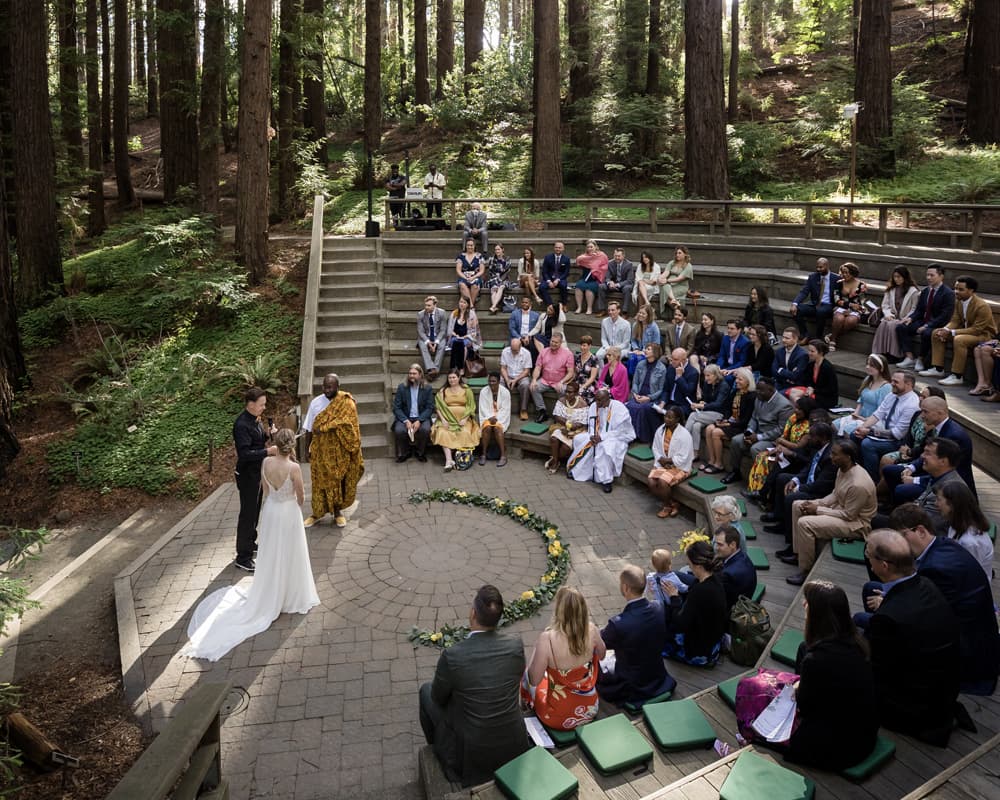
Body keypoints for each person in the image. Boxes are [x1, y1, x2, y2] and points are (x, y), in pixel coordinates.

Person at [184, 429, 320, 661]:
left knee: (272, 552)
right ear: (291, 447)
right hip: (288, 514)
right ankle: (291, 594)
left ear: (276, 444)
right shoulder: (295, 468)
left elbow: (266, 491)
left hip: (271, 510)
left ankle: (271, 591)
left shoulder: (266, 462)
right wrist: (295, 505)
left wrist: (275, 502)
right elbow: (301, 496)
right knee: (291, 554)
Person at [732, 581, 877, 771]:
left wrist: (798, 691)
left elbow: (806, 708)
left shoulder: (817, 660)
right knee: (780, 674)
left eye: (807, 605)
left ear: (818, 616)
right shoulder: (858, 641)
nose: (804, 606)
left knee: (755, 698)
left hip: (840, 747)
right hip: (864, 731)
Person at [881, 505, 1000, 695]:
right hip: (973, 632)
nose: (898, 544)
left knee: (872, 621)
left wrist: (887, 604)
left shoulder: (936, 569)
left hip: (966, 651)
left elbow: (929, 619)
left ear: (920, 531)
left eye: (901, 536)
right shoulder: (944, 545)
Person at [418, 585, 529, 786]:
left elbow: (438, 698)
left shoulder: (453, 656)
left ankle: (441, 750)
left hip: (473, 751)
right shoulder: (515, 645)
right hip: (514, 742)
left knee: (426, 691)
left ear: (472, 613)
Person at [862, 529, 960, 746]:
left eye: (869, 556)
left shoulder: (888, 618)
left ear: (884, 566)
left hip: (913, 706)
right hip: (941, 689)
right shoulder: (927, 584)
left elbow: (876, 670)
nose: (867, 561)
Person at [783, 438, 877, 585]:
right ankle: (799, 554)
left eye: (834, 454)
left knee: (805, 523)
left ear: (848, 457)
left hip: (857, 525)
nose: (830, 457)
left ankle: (805, 570)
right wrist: (815, 503)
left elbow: (849, 515)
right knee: (797, 505)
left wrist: (818, 509)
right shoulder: (842, 469)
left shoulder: (859, 484)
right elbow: (835, 495)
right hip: (841, 511)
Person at [520, 587, 606, 731]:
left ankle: (525, 706)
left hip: (557, 717)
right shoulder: (591, 629)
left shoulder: (547, 639)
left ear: (559, 610)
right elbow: (602, 655)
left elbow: (534, 680)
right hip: (589, 709)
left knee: (526, 676)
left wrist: (537, 650)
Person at [596, 565, 677, 705]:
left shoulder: (618, 624)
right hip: (657, 676)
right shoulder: (658, 607)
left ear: (626, 588)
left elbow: (599, 644)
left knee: (598, 668)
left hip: (632, 684)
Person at [881, 395, 975, 500]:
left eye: (925, 412)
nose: (921, 416)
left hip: (949, 484)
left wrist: (915, 480)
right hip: (931, 470)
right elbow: (926, 453)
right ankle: (893, 505)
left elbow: (945, 472)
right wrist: (911, 468)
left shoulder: (953, 436)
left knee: (901, 490)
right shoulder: (935, 428)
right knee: (889, 470)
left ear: (940, 413)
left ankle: (906, 511)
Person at [303, 374, 364, 529]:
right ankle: (316, 513)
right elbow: (309, 427)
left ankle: (337, 513)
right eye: (324, 386)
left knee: (337, 482)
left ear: (337, 386)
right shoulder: (316, 403)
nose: (326, 389)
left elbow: (352, 427)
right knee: (318, 483)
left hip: (339, 452)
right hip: (320, 451)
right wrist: (306, 449)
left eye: (329, 386)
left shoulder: (347, 403)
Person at [873, 438, 966, 535]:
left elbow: (927, 524)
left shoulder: (949, 490)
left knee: (871, 519)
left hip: (927, 535)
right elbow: (918, 504)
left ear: (943, 461)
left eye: (928, 453)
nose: (922, 456)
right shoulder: (937, 477)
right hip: (917, 524)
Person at [766, 422, 837, 548]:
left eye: (812, 435)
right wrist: (795, 480)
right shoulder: (819, 448)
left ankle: (791, 544)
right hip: (810, 481)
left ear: (823, 438)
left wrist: (798, 488)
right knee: (783, 478)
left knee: (791, 497)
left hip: (820, 492)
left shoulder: (830, 457)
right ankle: (780, 520)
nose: (809, 438)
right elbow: (809, 468)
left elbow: (821, 485)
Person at [660, 540, 728, 666]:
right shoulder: (716, 577)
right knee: (678, 575)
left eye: (690, 564)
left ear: (698, 566)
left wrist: (674, 597)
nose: (689, 566)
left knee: (662, 632)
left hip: (700, 649)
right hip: (713, 637)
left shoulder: (699, 591)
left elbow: (680, 623)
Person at [232, 387, 278, 572]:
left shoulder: (255, 419)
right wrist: (268, 451)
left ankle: (250, 543)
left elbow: (256, 441)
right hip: (247, 475)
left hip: (258, 473)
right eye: (261, 405)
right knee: (248, 515)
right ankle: (243, 556)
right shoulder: (241, 424)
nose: (263, 408)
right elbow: (244, 454)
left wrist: (267, 434)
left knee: (255, 511)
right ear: (250, 405)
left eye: (264, 404)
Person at [922, 275, 997, 385]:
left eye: (960, 289)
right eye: (955, 288)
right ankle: (938, 369)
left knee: (959, 339)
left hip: (984, 335)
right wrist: (945, 329)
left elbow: (977, 329)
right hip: (967, 332)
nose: (956, 291)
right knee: (936, 333)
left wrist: (952, 332)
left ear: (971, 291)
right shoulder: (958, 301)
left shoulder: (981, 306)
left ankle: (957, 376)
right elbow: (955, 320)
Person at [722, 377, 794, 485]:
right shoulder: (759, 398)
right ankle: (735, 471)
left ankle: (759, 482)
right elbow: (754, 418)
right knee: (736, 441)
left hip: (771, 438)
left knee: (756, 449)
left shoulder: (784, 405)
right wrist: (749, 432)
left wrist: (760, 437)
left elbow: (781, 429)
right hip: (755, 433)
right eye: (757, 389)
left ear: (770, 389)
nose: (758, 392)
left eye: (761, 390)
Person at [852, 369, 921, 479]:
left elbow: (897, 434)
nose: (891, 384)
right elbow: (877, 415)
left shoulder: (912, 404)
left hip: (898, 441)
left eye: (896, 382)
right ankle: (857, 471)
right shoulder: (892, 395)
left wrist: (869, 431)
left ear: (908, 384)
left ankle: (872, 479)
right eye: (892, 381)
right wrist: (862, 427)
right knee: (854, 433)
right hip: (883, 430)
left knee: (867, 444)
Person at [744, 395, 815, 500]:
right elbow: (784, 435)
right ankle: (756, 489)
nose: (796, 410)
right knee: (762, 457)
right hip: (783, 450)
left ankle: (764, 494)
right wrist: (778, 446)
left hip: (795, 457)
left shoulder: (808, 426)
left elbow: (798, 446)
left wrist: (782, 442)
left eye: (799, 409)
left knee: (777, 464)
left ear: (806, 410)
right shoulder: (793, 418)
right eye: (795, 407)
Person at [567, 387, 636, 492]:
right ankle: (579, 471)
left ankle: (606, 480)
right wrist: (592, 435)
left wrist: (602, 437)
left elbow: (621, 431)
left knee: (605, 447)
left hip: (617, 437)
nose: (597, 402)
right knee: (579, 439)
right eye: (596, 399)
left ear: (607, 398)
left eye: (600, 400)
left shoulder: (619, 408)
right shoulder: (594, 406)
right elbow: (591, 424)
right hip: (597, 435)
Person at [897, 263, 954, 373]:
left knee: (927, 333)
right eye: (927, 275)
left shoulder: (948, 293)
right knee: (902, 327)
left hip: (938, 324)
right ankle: (909, 357)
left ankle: (921, 359)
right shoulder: (926, 291)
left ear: (941, 276)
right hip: (923, 320)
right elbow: (919, 310)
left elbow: (945, 316)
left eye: (932, 275)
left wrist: (927, 325)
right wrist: (911, 318)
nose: (928, 278)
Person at [700, 368, 755, 475]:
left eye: (740, 379)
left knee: (716, 432)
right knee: (709, 428)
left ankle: (719, 464)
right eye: (737, 379)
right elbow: (727, 409)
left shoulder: (752, 396)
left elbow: (746, 420)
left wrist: (729, 423)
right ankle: (711, 460)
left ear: (748, 381)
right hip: (730, 422)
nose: (737, 381)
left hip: (740, 426)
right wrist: (724, 419)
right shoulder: (735, 392)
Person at [936, 481, 994, 579]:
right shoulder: (957, 524)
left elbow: (968, 575)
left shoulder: (969, 542)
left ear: (952, 505)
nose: (936, 503)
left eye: (939, 500)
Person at [647, 406, 694, 518]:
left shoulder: (685, 435)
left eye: (670, 417)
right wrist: (661, 460)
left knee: (663, 482)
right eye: (665, 416)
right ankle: (673, 504)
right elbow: (655, 448)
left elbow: (685, 457)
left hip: (680, 467)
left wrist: (669, 461)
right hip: (663, 463)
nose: (666, 419)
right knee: (651, 482)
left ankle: (666, 506)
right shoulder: (661, 430)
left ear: (677, 419)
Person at [430, 369, 481, 472]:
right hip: (447, 420)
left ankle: (460, 458)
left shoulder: (466, 390)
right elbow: (438, 407)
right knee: (443, 432)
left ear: (459, 378)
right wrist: (443, 420)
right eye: (450, 378)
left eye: (454, 377)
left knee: (464, 432)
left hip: (463, 420)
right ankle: (449, 460)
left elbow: (471, 406)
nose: (452, 380)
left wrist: (465, 418)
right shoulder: (443, 391)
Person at [833, 354, 892, 436]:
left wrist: (863, 419)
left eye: (871, 365)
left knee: (848, 429)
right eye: (867, 364)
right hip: (860, 415)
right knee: (834, 424)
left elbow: (881, 411)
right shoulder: (868, 379)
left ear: (881, 368)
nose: (867, 367)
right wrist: (856, 413)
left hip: (872, 420)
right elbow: (861, 400)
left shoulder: (886, 387)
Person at [871, 266, 920, 359]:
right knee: (884, 324)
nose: (896, 279)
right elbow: (885, 305)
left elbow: (914, 308)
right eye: (895, 277)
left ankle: (894, 354)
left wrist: (906, 318)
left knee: (892, 326)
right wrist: (888, 314)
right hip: (892, 316)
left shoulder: (913, 291)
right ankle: (881, 351)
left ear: (905, 277)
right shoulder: (891, 289)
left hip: (905, 318)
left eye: (899, 277)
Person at [545, 380, 590, 475]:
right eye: (566, 391)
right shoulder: (561, 400)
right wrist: (567, 425)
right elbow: (557, 416)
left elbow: (581, 423)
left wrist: (569, 428)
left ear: (576, 393)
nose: (567, 394)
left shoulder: (583, 404)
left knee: (566, 448)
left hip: (577, 431)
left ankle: (554, 459)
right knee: (554, 439)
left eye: (570, 392)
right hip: (561, 426)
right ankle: (555, 462)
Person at [791, 257, 841, 340]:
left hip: (828, 305)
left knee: (820, 312)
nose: (818, 269)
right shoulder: (813, 277)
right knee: (796, 310)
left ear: (827, 266)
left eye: (821, 267)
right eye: (817, 267)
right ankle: (805, 335)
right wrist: (794, 303)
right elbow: (804, 292)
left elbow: (841, 293)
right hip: (815, 304)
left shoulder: (836, 278)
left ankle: (818, 338)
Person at [392, 364, 435, 462]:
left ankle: (420, 452)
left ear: (420, 375)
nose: (411, 376)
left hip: (421, 417)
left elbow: (430, 407)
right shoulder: (402, 387)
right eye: (410, 373)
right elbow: (396, 408)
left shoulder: (427, 388)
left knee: (425, 429)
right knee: (399, 430)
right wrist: (406, 420)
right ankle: (405, 452)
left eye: (414, 374)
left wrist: (419, 420)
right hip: (406, 417)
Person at [686, 364, 731, 454]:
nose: (706, 378)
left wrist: (701, 406)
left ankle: (681, 440)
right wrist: (702, 403)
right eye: (705, 375)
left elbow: (718, 404)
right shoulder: (707, 384)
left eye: (708, 375)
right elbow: (706, 400)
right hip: (708, 413)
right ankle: (695, 453)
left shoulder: (724, 386)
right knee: (696, 426)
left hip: (720, 414)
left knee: (692, 415)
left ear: (715, 375)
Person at [627, 343, 668, 443]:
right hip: (639, 395)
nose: (645, 350)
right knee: (630, 406)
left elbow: (660, 389)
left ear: (655, 352)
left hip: (652, 398)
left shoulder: (662, 368)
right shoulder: (640, 364)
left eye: (648, 349)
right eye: (646, 349)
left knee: (643, 408)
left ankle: (641, 437)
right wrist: (635, 394)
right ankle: (630, 434)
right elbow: (635, 382)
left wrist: (649, 398)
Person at [530, 332, 574, 422]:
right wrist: (534, 380)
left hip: (560, 381)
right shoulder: (543, 351)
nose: (553, 344)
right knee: (533, 387)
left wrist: (562, 382)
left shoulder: (568, 354)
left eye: (556, 342)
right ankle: (542, 411)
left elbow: (570, 372)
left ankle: (559, 414)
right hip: (545, 380)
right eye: (552, 341)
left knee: (563, 390)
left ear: (561, 343)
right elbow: (538, 368)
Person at [825, 262, 867, 351]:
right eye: (843, 272)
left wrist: (852, 309)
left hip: (855, 309)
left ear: (853, 273)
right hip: (841, 307)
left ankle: (833, 335)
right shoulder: (839, 283)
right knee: (839, 319)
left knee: (851, 321)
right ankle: (833, 341)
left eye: (846, 272)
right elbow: (837, 300)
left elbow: (862, 301)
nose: (844, 275)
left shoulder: (862, 285)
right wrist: (849, 305)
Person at [713, 525, 757, 609]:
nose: (716, 548)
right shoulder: (743, 556)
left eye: (720, 545)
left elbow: (716, 598)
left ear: (733, 544)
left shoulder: (728, 574)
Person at [477, 372, 510, 467]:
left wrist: (496, 418)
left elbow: (506, 409)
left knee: (497, 429)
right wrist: (490, 417)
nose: (491, 383)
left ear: (499, 382)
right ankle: (483, 454)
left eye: (494, 381)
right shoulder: (483, 391)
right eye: (490, 381)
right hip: (487, 416)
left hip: (501, 418)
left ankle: (503, 456)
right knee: (487, 428)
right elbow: (482, 407)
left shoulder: (505, 392)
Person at [659, 346, 699, 418]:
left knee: (671, 415)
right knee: (651, 411)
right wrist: (662, 403)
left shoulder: (693, 372)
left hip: (684, 405)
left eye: (675, 359)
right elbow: (666, 389)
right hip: (670, 403)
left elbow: (688, 392)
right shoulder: (671, 368)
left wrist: (679, 377)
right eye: (672, 358)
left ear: (684, 360)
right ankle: (659, 430)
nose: (672, 361)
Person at [799, 339, 839, 410]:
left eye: (812, 351)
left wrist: (813, 390)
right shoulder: (811, 365)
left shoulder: (828, 368)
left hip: (826, 398)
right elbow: (807, 380)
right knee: (791, 392)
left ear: (820, 353)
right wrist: (809, 387)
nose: (809, 353)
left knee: (799, 399)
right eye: (809, 350)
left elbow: (831, 389)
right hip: (814, 392)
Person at [445, 297, 481, 374]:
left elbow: (474, 330)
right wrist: (455, 334)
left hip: (468, 337)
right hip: (455, 336)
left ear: (468, 304)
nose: (462, 304)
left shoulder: (472, 314)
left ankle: (461, 367)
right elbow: (449, 329)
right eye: (461, 302)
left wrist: (464, 337)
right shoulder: (454, 313)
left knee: (463, 346)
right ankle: (454, 367)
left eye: (464, 303)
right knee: (456, 343)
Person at [500, 337, 533, 420]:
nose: (513, 352)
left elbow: (526, 371)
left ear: (520, 346)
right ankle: (501, 408)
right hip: (508, 374)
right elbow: (503, 368)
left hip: (521, 376)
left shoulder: (527, 353)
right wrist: (507, 380)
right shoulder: (505, 351)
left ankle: (523, 409)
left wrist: (516, 380)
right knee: (500, 383)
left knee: (526, 385)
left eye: (516, 350)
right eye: (512, 350)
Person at [417, 295, 450, 380]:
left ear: (435, 305)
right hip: (426, 336)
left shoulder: (442, 313)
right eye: (426, 305)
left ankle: (435, 371)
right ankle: (431, 369)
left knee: (442, 346)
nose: (426, 307)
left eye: (429, 305)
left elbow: (443, 330)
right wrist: (428, 342)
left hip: (438, 336)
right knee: (422, 346)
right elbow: (420, 331)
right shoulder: (421, 314)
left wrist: (436, 343)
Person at [573, 238, 608, 315]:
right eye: (588, 247)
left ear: (595, 247)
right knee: (578, 286)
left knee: (589, 289)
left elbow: (604, 267)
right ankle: (579, 307)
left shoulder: (601, 255)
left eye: (591, 247)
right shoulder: (584, 256)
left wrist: (596, 269)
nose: (590, 248)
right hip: (585, 278)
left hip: (596, 279)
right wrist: (591, 258)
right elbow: (578, 260)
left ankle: (589, 308)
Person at [657, 245, 693, 316]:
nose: (677, 255)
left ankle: (677, 311)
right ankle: (676, 304)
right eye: (676, 253)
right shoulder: (672, 263)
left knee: (665, 293)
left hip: (681, 286)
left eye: (680, 253)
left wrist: (667, 281)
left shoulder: (688, 266)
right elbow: (666, 273)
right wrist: (660, 278)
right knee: (664, 287)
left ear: (685, 254)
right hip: (669, 285)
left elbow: (679, 278)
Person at [627, 304, 662, 375]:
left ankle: (638, 379)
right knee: (631, 358)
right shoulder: (635, 325)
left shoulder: (654, 327)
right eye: (640, 313)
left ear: (648, 315)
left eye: (643, 313)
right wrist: (636, 349)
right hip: (637, 350)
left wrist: (644, 351)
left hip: (649, 352)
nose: (641, 315)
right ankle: (631, 379)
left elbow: (656, 344)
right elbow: (633, 340)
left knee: (640, 359)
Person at [772, 327, 809, 393]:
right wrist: (788, 375)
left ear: (795, 339)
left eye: (787, 338)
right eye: (783, 337)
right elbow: (774, 370)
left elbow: (795, 376)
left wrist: (781, 370)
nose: (783, 340)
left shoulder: (802, 355)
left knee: (777, 396)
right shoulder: (779, 351)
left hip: (794, 385)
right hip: (779, 383)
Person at [599, 247, 634, 314]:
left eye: (619, 256)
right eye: (615, 256)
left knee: (627, 288)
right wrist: (609, 282)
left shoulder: (629, 264)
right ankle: (602, 309)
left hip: (623, 285)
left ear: (623, 256)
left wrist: (618, 285)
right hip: (612, 285)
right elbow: (607, 277)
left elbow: (630, 280)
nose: (617, 258)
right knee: (601, 286)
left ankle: (624, 311)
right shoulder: (610, 263)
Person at [455, 238, 485, 307]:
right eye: (468, 245)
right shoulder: (461, 256)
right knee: (462, 285)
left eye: (471, 245)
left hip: (476, 276)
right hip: (464, 276)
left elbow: (482, 271)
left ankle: (470, 304)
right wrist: (465, 277)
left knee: (475, 285)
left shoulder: (479, 256)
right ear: (466, 246)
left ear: (474, 246)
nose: (470, 247)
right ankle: (471, 305)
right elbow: (458, 270)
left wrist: (473, 277)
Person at [540, 241, 571, 308]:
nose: (558, 249)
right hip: (549, 278)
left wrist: (558, 280)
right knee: (542, 287)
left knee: (563, 285)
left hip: (560, 278)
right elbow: (544, 271)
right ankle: (550, 304)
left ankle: (564, 304)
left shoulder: (566, 259)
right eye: (556, 247)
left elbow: (566, 272)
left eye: (560, 248)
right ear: (554, 248)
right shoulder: (548, 257)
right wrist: (548, 281)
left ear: (563, 249)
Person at [508, 295, 540, 360]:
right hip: (518, 337)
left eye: (526, 302)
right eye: (523, 302)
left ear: (530, 304)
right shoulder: (514, 313)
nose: (524, 304)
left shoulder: (536, 315)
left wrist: (529, 337)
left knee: (533, 348)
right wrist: (520, 338)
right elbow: (512, 328)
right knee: (515, 345)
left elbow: (537, 329)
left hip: (530, 337)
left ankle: (532, 367)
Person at [572, 334, 601, 403]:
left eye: (584, 345)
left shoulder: (594, 359)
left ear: (589, 346)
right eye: (581, 345)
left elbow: (592, 378)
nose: (582, 347)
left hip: (589, 383)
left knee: (582, 393)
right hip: (578, 381)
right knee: (569, 391)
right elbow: (575, 373)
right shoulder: (577, 357)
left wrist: (583, 387)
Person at [484, 243, 510, 315]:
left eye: (498, 249)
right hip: (493, 278)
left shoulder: (507, 259)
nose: (497, 251)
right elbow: (490, 271)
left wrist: (500, 280)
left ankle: (493, 306)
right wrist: (495, 280)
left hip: (504, 279)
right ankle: (494, 307)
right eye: (496, 250)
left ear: (502, 250)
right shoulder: (492, 259)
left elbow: (506, 272)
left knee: (501, 287)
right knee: (494, 288)